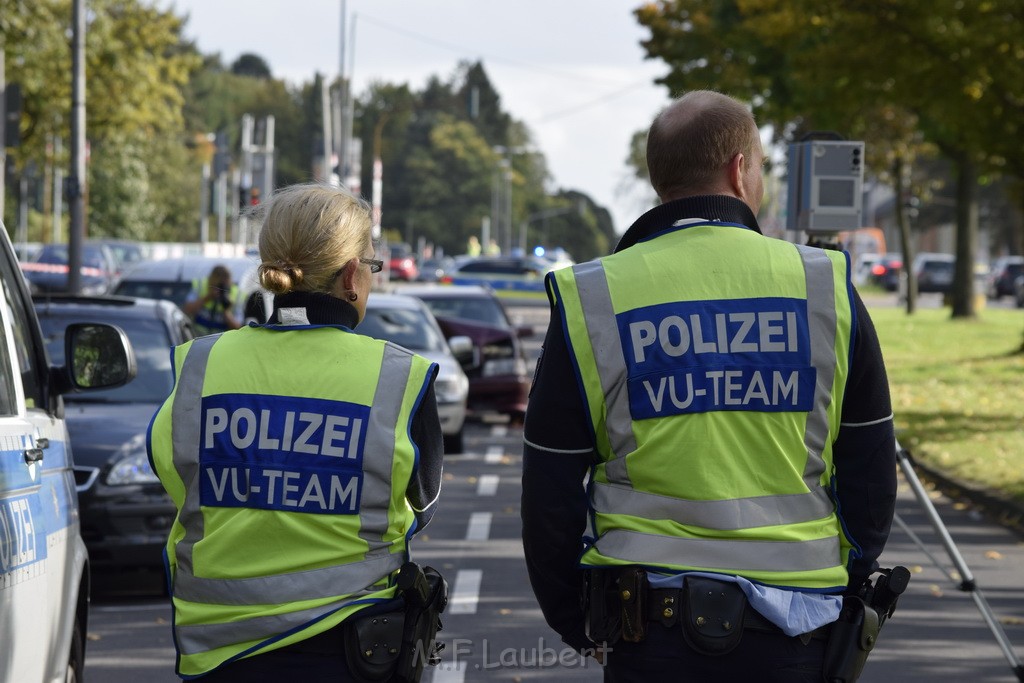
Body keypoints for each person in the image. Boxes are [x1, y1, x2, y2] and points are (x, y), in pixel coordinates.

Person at [521, 90, 897, 682]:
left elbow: (550, 484)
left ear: (657, 178)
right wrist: (849, 587)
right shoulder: (823, 283)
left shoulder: (592, 295)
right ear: (739, 168)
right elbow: (870, 467)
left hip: (646, 630)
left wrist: (575, 619)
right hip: (798, 629)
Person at [148, 183, 445, 681]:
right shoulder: (397, 377)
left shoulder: (200, 363)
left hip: (218, 656)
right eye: (372, 266)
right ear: (351, 276)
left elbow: (176, 480)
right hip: (351, 653)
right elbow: (421, 504)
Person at [182, 264, 242, 335]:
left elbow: (238, 327)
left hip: (221, 342)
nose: (218, 290)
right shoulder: (200, 286)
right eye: (216, 286)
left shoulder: (237, 295)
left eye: (222, 287)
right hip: (197, 337)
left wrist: (226, 310)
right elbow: (186, 310)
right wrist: (207, 297)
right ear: (210, 280)